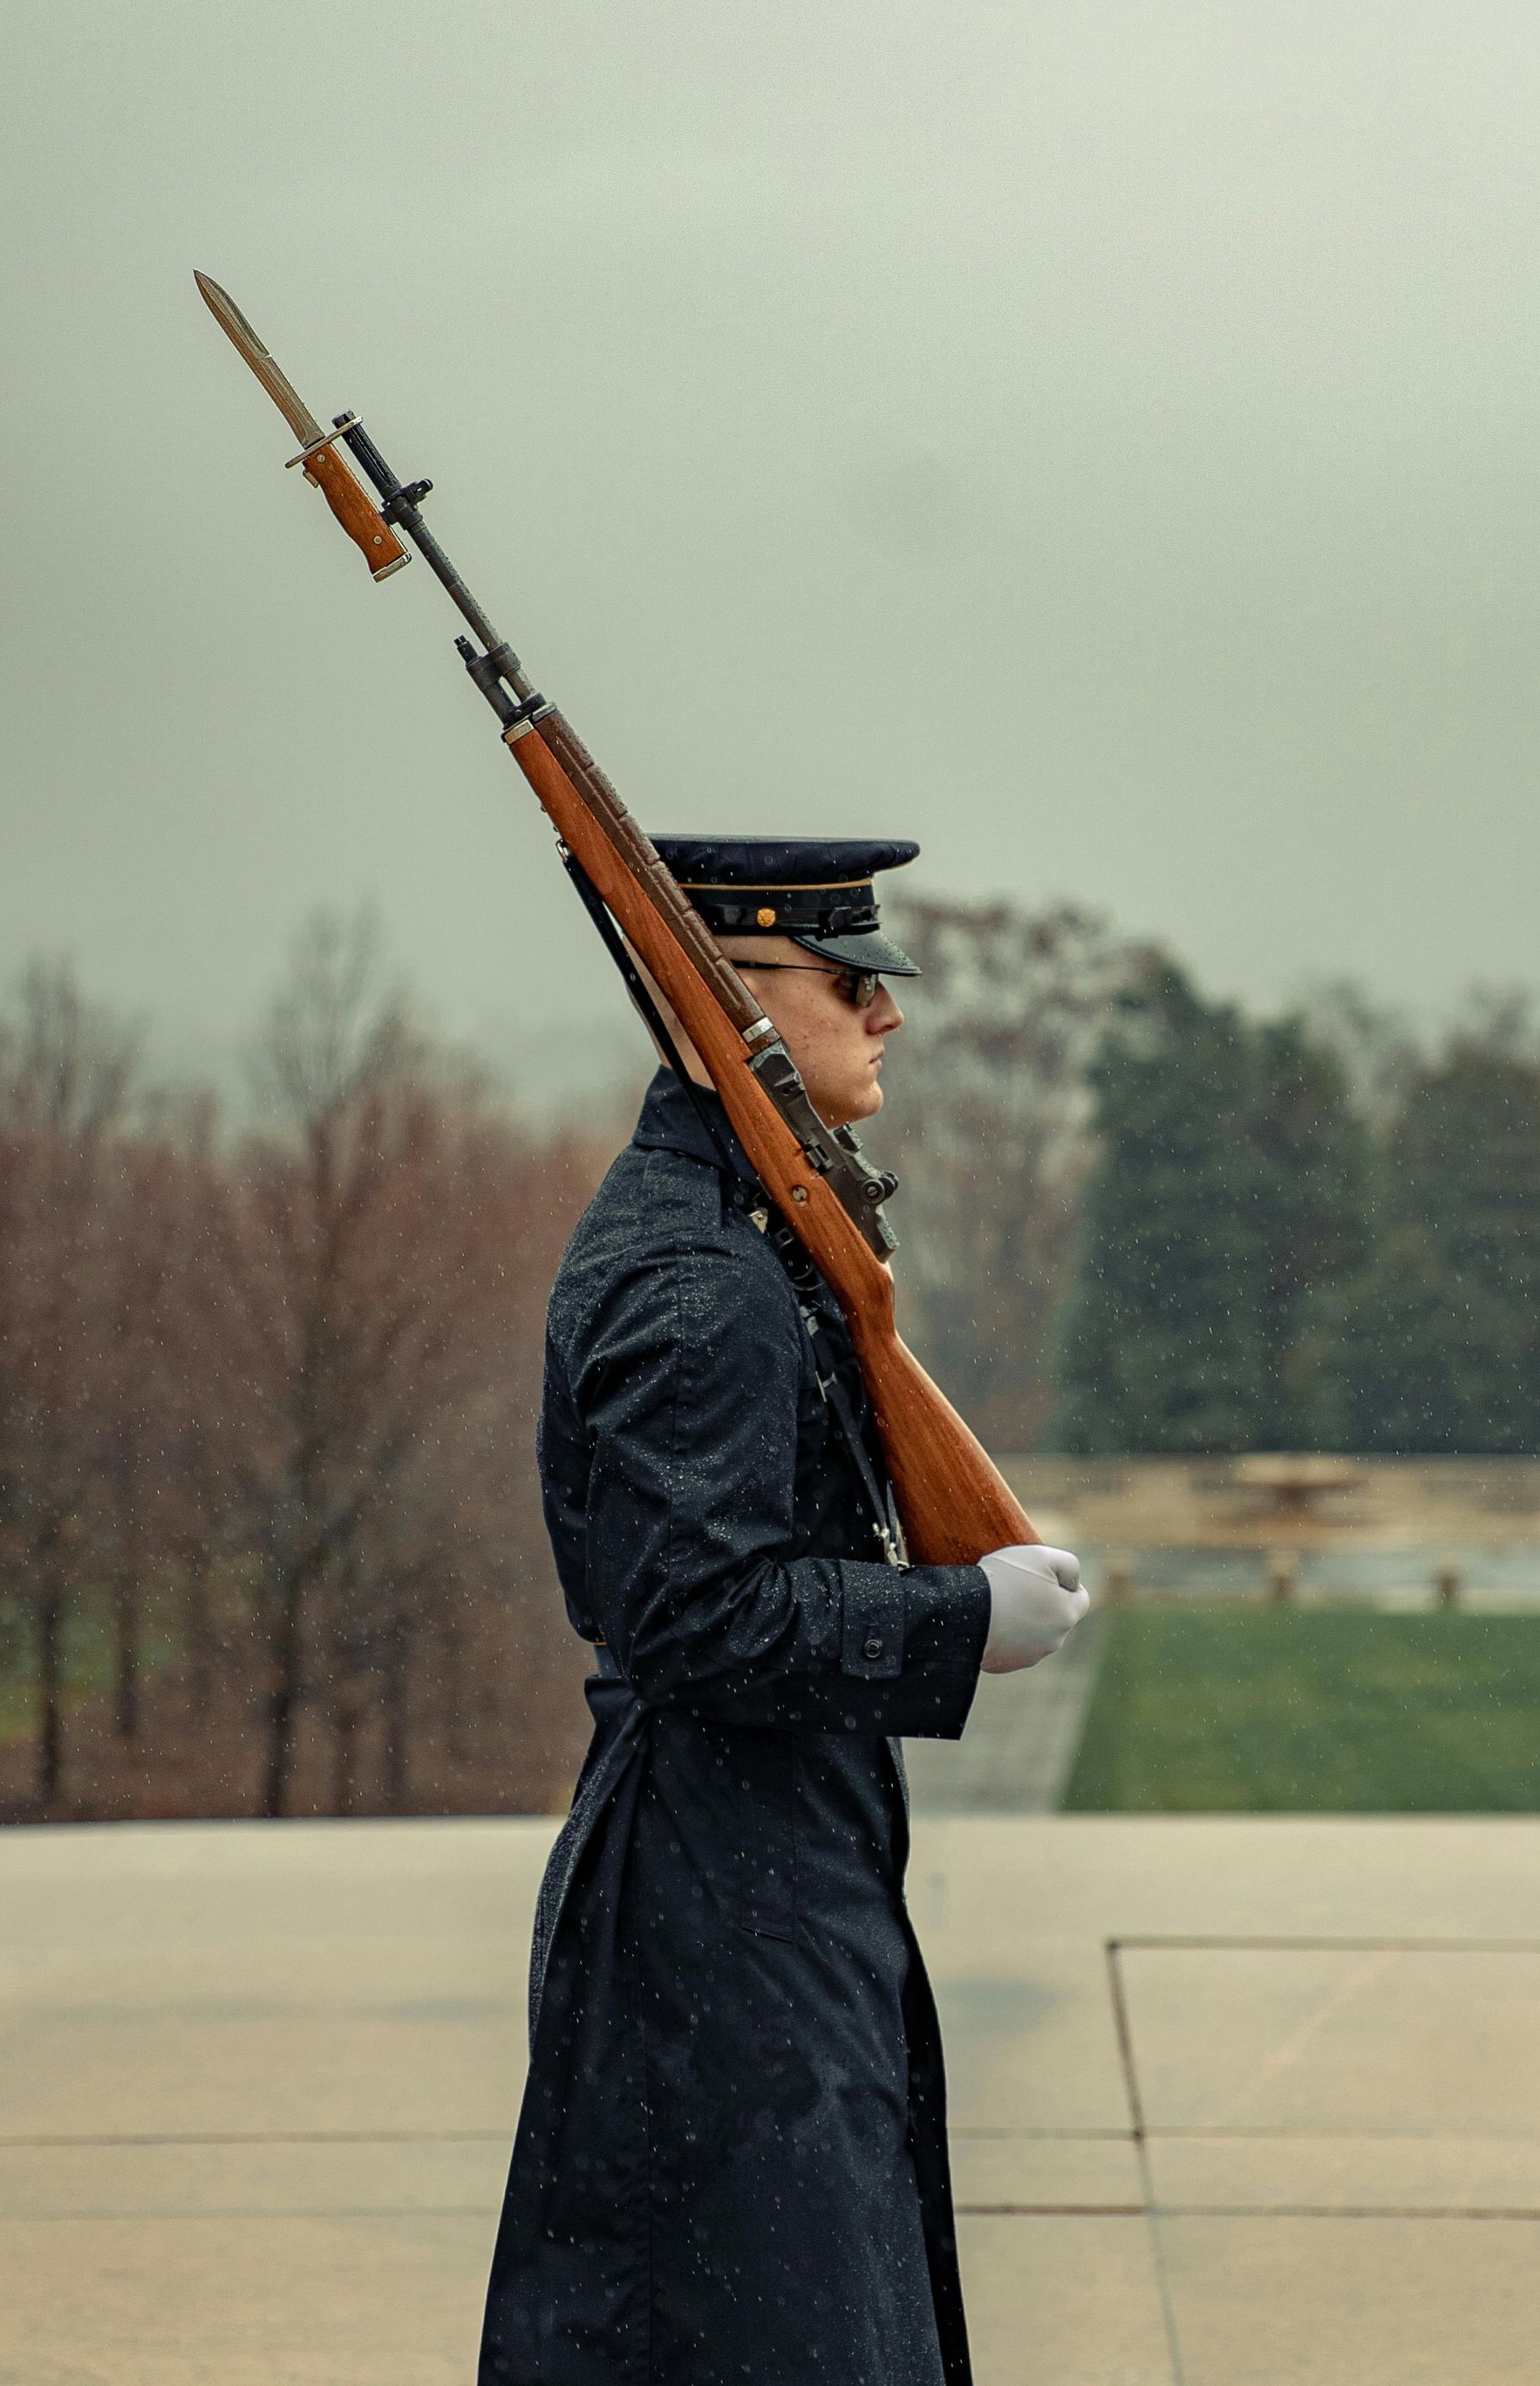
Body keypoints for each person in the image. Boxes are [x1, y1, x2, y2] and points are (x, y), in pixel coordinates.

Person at [478, 835, 1088, 2386]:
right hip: (719, 1902)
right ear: (715, 1005)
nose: (886, 1014)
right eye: (848, 979)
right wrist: (958, 1620)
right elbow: (698, 1619)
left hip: (748, 1864)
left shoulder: (745, 1240)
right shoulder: (702, 1279)